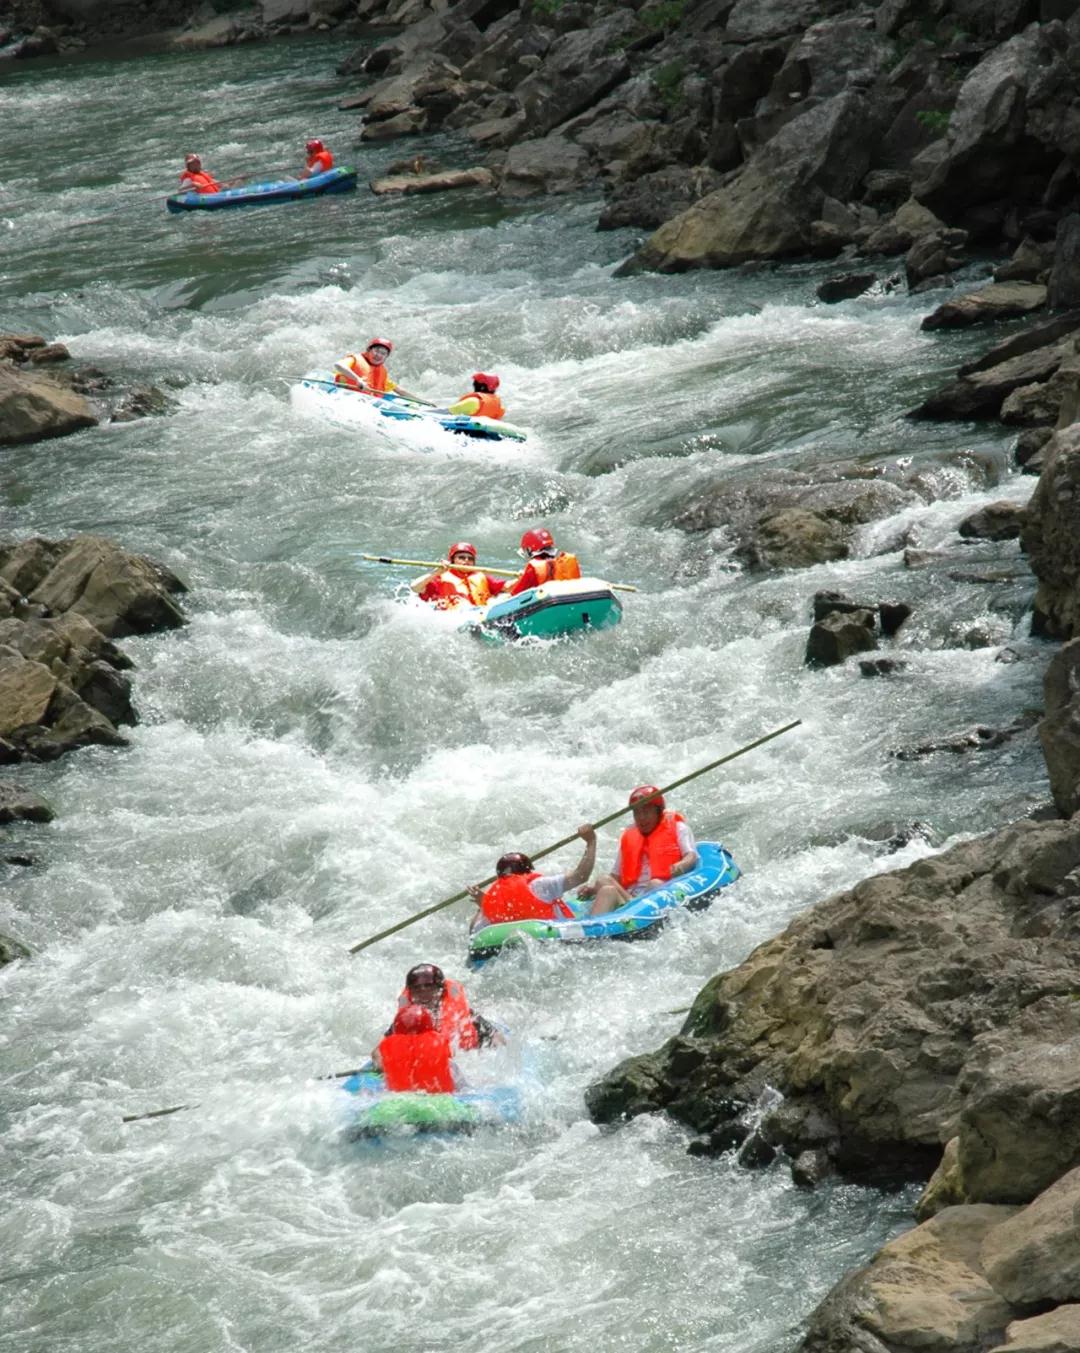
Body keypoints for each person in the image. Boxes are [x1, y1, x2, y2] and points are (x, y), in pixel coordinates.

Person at [577, 786, 699, 916]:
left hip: (657, 892)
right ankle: (602, 920)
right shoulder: (629, 835)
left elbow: (691, 855)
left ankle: (631, 907)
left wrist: (681, 865)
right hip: (629, 896)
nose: (641, 818)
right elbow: (615, 876)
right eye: (637, 813)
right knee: (602, 880)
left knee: (655, 883)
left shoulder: (679, 828)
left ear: (658, 812)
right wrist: (592, 889)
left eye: (646, 812)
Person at [371, 963, 502, 1068]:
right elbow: (378, 1052)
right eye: (416, 988)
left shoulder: (462, 1014)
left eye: (428, 986)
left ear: (441, 989)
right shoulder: (407, 1019)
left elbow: (497, 1038)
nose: (423, 992)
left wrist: (490, 1062)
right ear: (410, 993)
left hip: (465, 1063)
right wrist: (386, 1066)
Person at [469, 825, 596, 928]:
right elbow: (581, 875)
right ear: (528, 871)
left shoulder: (494, 896)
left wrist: (484, 906)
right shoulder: (539, 885)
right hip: (550, 937)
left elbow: (474, 934)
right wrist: (591, 841)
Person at [376, 1003, 456, 1093]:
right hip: (441, 1098)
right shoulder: (440, 1042)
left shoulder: (387, 1046)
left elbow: (377, 1061)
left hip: (399, 1098)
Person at [411, 541, 508, 610]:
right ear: (453, 560)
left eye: (470, 559)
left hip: (479, 615)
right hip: (454, 620)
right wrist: (436, 572)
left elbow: (507, 587)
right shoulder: (440, 578)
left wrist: (519, 578)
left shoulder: (481, 576)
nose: (466, 561)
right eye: (461, 557)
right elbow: (415, 587)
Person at [507, 527, 582, 596]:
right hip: (574, 599)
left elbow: (515, 594)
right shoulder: (567, 560)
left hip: (551, 602)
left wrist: (524, 576)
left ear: (529, 550)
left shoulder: (533, 567)